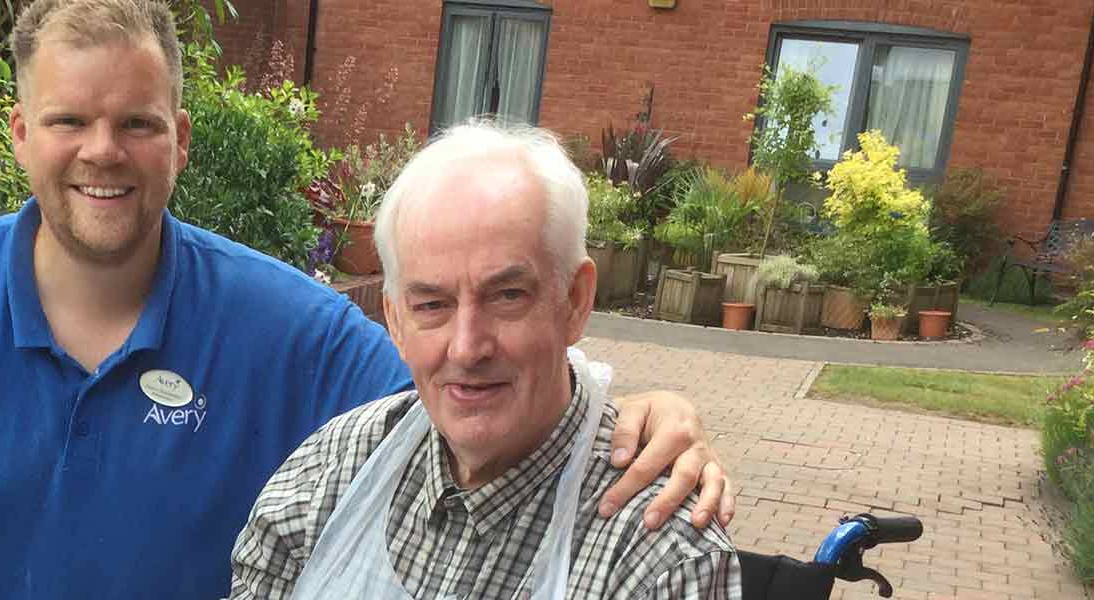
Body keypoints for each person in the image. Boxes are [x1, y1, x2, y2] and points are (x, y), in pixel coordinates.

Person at [0, 1, 735, 598]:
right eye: (69, 120)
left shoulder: (285, 328)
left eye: (137, 122)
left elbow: (469, 383)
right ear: (21, 135)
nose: (102, 152)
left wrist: (632, 408)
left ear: (181, 139)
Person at [229, 121, 740, 599]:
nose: (468, 347)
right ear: (395, 320)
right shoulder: (329, 473)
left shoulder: (659, 553)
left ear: (576, 300)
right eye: (431, 304)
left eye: (507, 296)